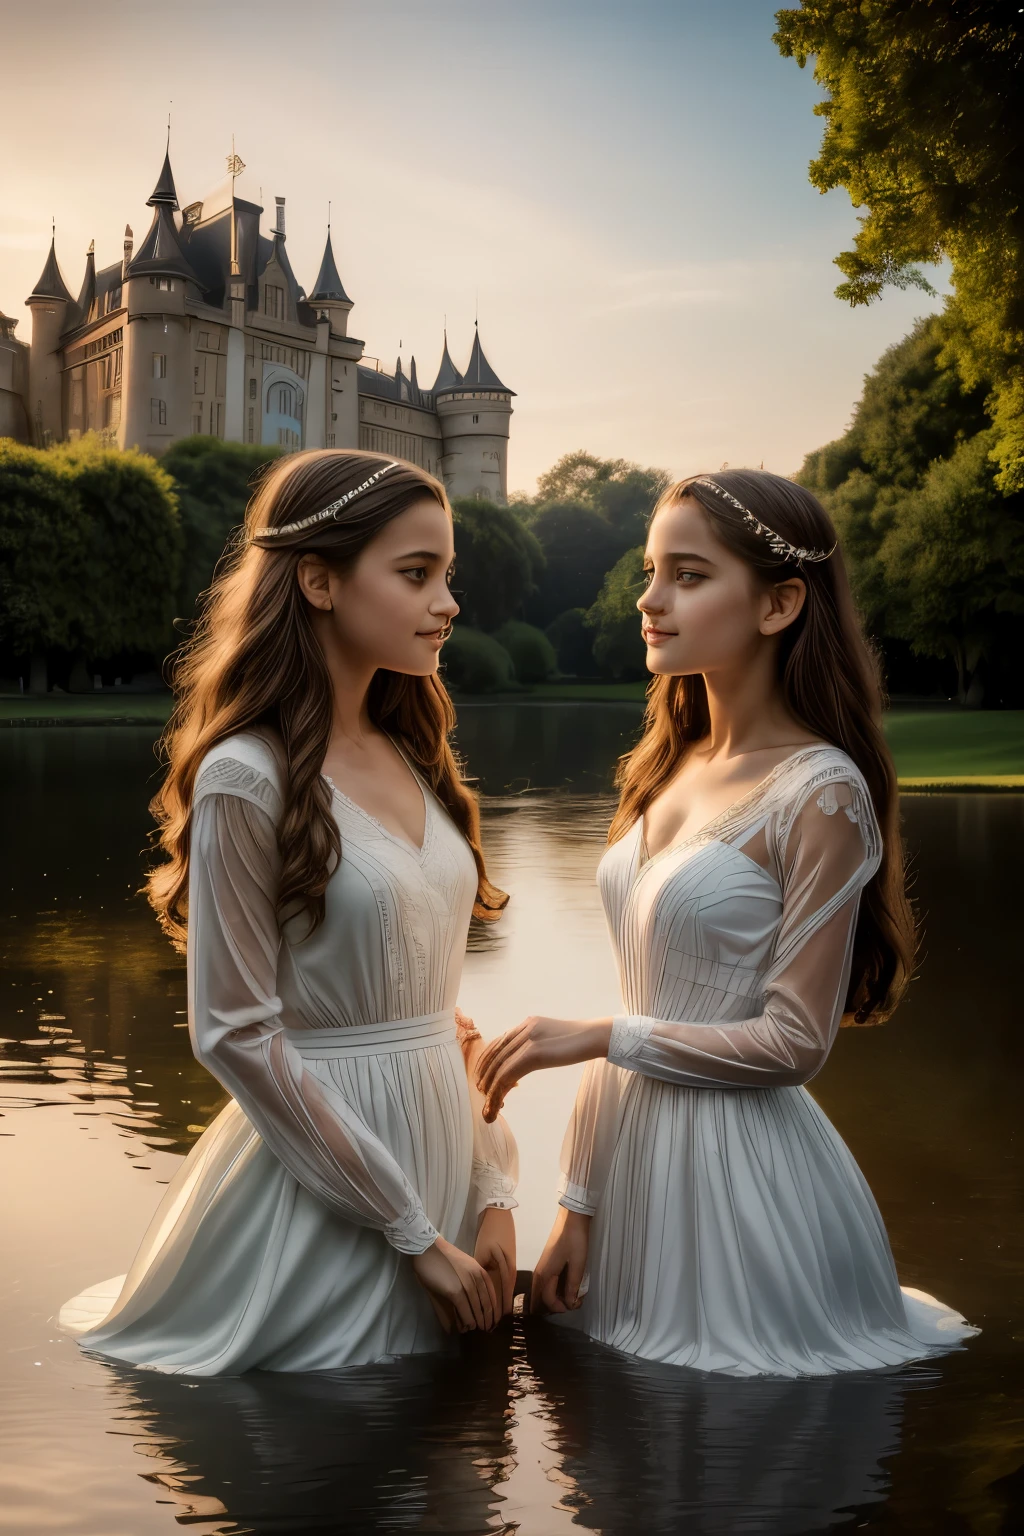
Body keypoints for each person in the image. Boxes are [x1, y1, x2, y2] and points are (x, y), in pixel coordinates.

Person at [477, 468, 977, 1378]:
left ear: (781, 603)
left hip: (737, 1183)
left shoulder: (821, 790)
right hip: (629, 1169)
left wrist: (594, 1036)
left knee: (727, 1440)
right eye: (649, 570)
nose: (650, 599)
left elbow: (794, 1044)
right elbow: (637, 999)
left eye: (689, 575)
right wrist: (578, 1203)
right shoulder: (670, 763)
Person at [60, 450, 518, 1375]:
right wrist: (410, 1233)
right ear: (318, 579)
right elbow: (231, 1033)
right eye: (416, 573)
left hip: (450, 1170)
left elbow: (438, 1019)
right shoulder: (244, 776)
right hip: (333, 1196)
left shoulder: (413, 751)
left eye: (448, 576)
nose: (448, 604)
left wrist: (493, 1188)